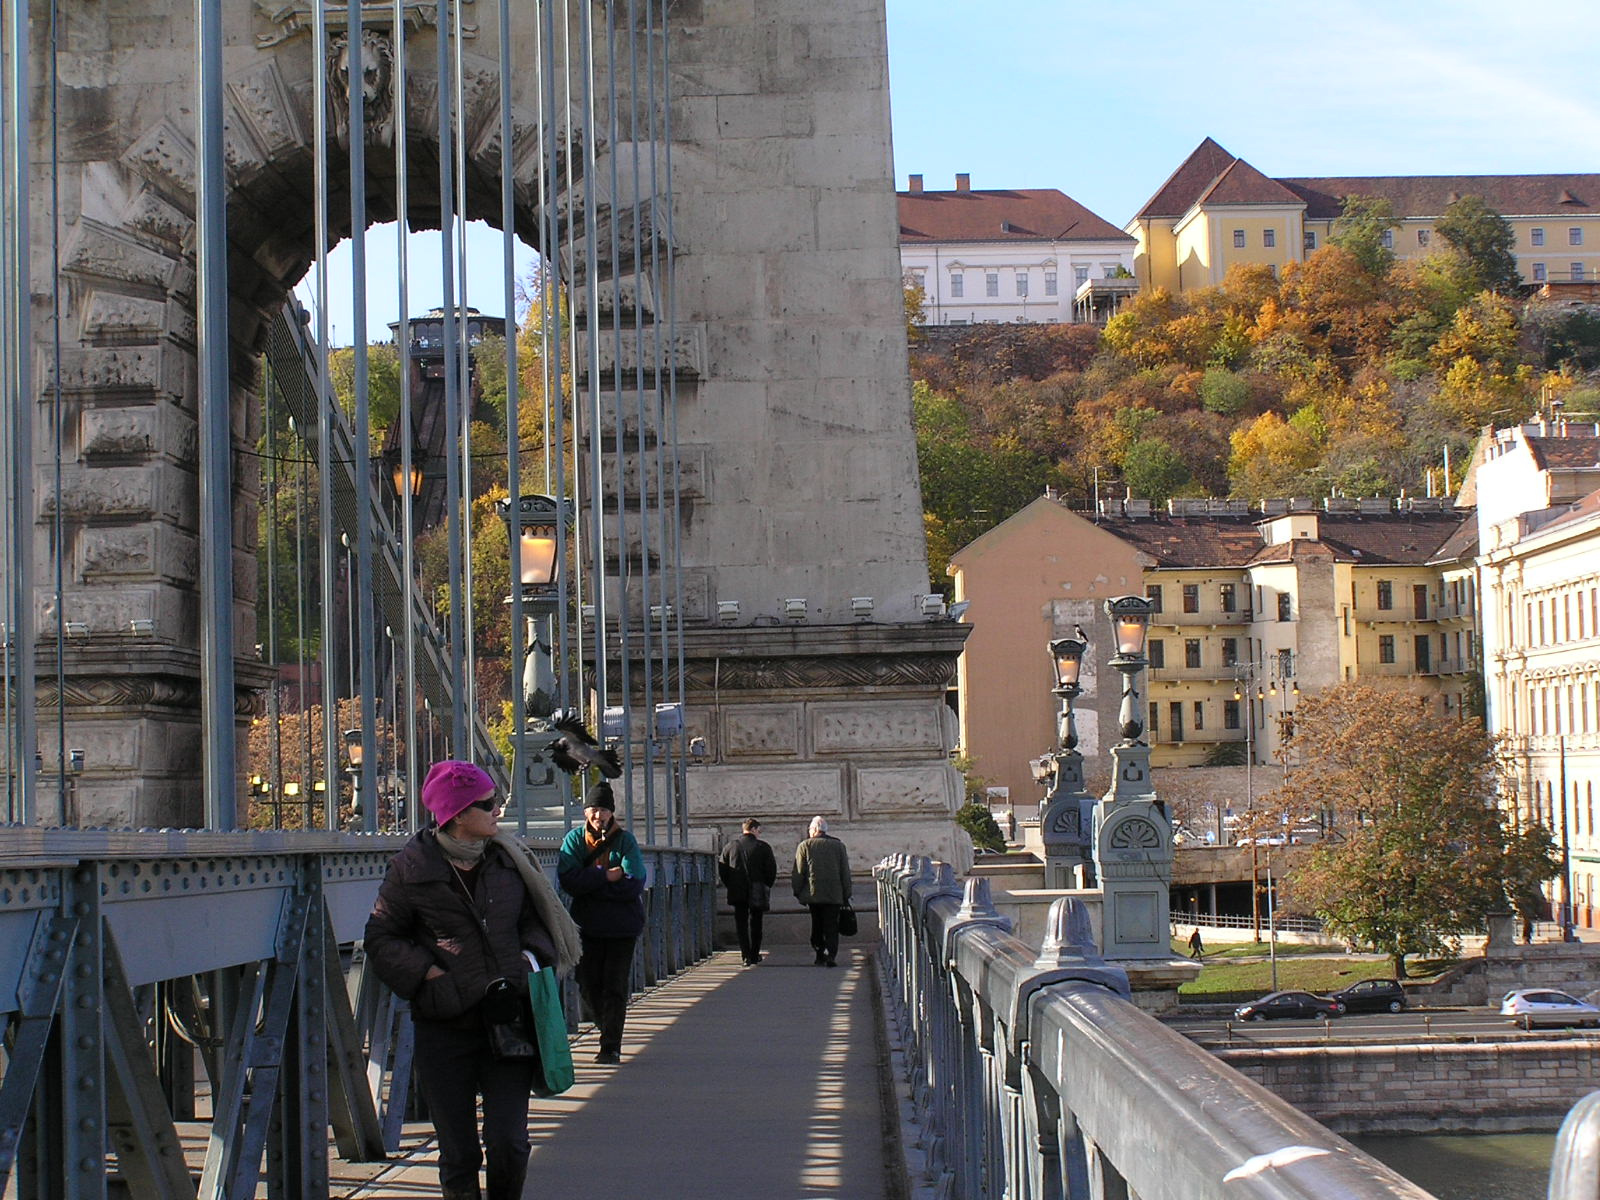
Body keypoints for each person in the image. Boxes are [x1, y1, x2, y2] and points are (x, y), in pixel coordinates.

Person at [365, 759, 581, 1200]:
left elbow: (536, 922)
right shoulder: (412, 868)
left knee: (509, 1143)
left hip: (509, 1019)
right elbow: (381, 936)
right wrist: (428, 975)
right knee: (459, 1154)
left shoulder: (508, 860)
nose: (499, 810)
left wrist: (529, 958)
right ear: (458, 813)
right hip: (446, 1026)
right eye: (488, 803)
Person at [558, 781, 646, 1064]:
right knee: (587, 984)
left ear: (611, 813)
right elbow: (568, 881)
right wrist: (607, 877)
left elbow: (634, 883)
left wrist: (592, 884)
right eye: (594, 810)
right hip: (588, 927)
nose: (599, 816)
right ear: (586, 812)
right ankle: (606, 1026)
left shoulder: (626, 840)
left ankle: (610, 1046)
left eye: (604, 810)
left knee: (615, 985)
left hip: (622, 927)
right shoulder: (573, 840)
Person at [792, 815, 851, 967]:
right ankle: (831, 954)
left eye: (810, 829)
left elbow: (799, 871)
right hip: (834, 894)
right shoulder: (839, 846)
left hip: (813, 894)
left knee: (817, 923)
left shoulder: (805, 846)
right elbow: (845, 871)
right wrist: (846, 893)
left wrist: (797, 891)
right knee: (831, 925)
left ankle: (819, 953)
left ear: (814, 830)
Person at [719, 817, 777, 966]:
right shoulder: (763, 847)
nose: (759, 833)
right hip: (757, 890)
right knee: (756, 923)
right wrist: (765, 885)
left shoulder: (730, 847)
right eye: (758, 830)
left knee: (741, 923)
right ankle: (755, 953)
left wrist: (731, 885)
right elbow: (771, 870)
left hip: (738, 890)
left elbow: (723, 870)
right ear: (753, 829)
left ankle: (745, 955)